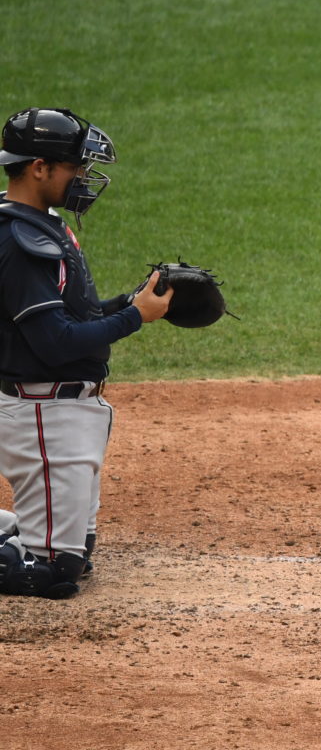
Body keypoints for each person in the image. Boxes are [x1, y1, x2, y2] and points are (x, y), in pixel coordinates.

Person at [0, 107, 174, 599]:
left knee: (80, 551)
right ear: (39, 167)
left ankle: (24, 531)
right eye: (75, 167)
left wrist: (130, 301)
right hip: (44, 412)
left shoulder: (39, 223)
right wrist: (135, 317)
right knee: (51, 572)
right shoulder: (21, 239)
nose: (83, 177)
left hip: (60, 412)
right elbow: (55, 343)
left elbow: (72, 315)